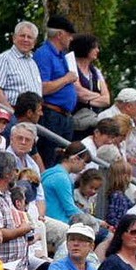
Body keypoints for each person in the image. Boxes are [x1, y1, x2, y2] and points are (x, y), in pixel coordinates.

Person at [33, 15, 79, 166]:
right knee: (49, 158)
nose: (71, 39)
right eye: (69, 35)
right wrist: (66, 78)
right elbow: (43, 87)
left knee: (62, 159)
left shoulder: (63, 56)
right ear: (60, 34)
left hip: (65, 116)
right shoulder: (44, 54)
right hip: (51, 114)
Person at [0, 21, 42, 109]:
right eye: (22, 36)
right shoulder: (4, 59)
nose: (26, 39)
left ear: (34, 42)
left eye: (29, 37)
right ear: (14, 38)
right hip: (12, 114)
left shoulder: (33, 63)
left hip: (32, 116)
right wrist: (11, 113)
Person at [40, 142, 90, 224]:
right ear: (75, 159)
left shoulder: (50, 171)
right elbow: (70, 209)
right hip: (59, 223)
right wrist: (94, 221)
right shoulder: (62, 178)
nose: (84, 168)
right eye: (84, 163)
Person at [70, 33, 112, 128]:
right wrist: (98, 96)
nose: (97, 50)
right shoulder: (72, 66)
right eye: (94, 47)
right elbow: (79, 92)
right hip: (75, 120)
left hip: (92, 120)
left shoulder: (96, 72)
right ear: (85, 47)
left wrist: (87, 100)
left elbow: (106, 99)